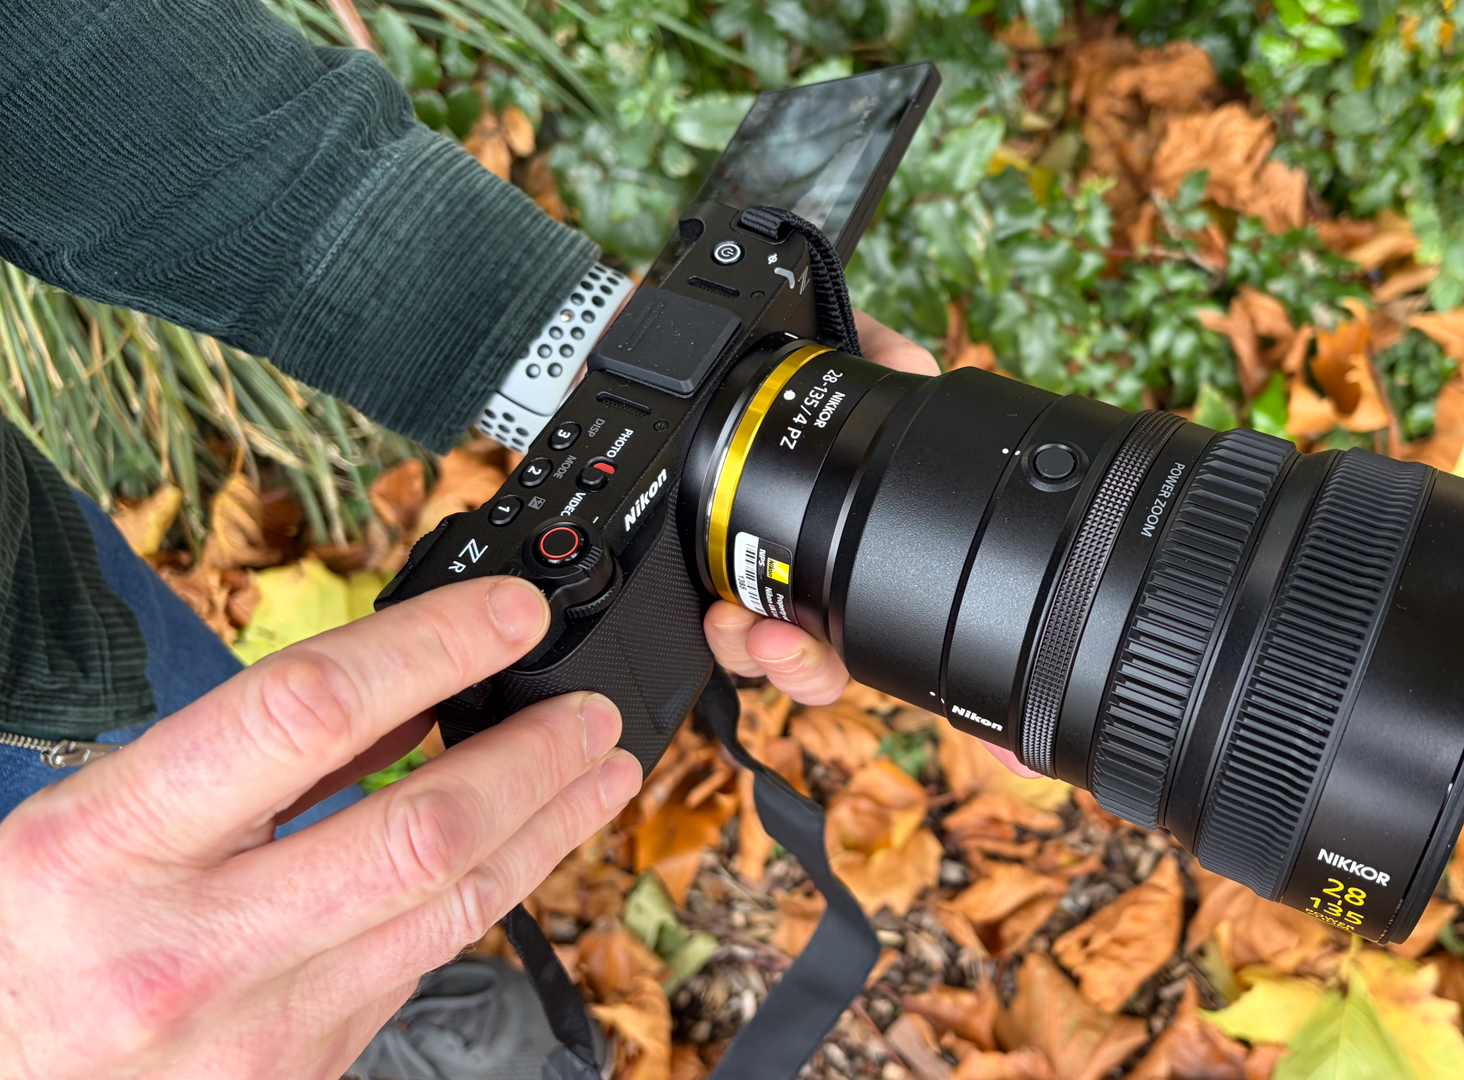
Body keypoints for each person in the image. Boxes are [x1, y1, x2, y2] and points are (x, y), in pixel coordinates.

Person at [0, 4, 1028, 1078]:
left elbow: (60, 62)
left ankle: (376, 992)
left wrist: (608, 355)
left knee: (301, 821)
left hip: (42, 634)